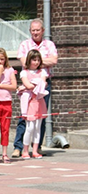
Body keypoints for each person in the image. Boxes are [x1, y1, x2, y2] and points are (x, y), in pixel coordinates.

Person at [12, 19, 58, 157]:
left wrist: (35, 61)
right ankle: (18, 147)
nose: (35, 32)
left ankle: (36, 148)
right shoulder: (24, 45)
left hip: (44, 84)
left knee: (40, 116)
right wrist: (43, 62)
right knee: (25, 117)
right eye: (33, 30)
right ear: (30, 31)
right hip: (28, 85)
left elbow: (54, 60)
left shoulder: (49, 44)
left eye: (38, 30)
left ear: (42, 30)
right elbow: (25, 64)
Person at [18, 50, 48, 159]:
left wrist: (32, 85)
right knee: (29, 127)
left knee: (37, 127)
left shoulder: (43, 72)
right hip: (29, 102)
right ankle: (25, 150)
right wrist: (35, 84)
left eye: (38, 60)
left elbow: (43, 84)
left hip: (39, 101)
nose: (36, 62)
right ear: (29, 60)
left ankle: (35, 150)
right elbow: (28, 85)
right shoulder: (24, 72)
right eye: (34, 60)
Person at [0, 48, 17, 164]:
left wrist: (1, 85)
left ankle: (5, 153)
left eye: (2, 59)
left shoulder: (10, 70)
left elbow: (14, 86)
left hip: (6, 102)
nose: (0, 61)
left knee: (5, 128)